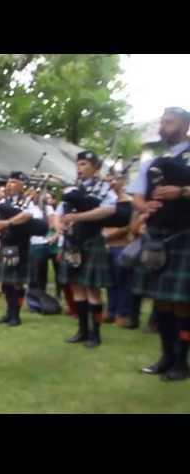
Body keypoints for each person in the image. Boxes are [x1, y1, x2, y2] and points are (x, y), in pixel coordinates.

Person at [129, 107, 190, 381]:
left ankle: (181, 361)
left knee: (183, 303)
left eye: (169, 122)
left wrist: (183, 191)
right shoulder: (152, 162)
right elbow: (137, 197)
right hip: (157, 236)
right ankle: (166, 356)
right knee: (162, 302)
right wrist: (145, 205)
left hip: (185, 234)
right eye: (162, 122)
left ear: (185, 125)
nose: (163, 127)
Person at [57, 151, 117, 348]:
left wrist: (78, 217)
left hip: (92, 241)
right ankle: (82, 330)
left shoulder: (104, 188)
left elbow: (109, 210)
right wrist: (59, 224)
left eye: (83, 164)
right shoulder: (73, 188)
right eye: (78, 164)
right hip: (73, 241)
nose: (79, 168)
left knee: (92, 290)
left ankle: (95, 334)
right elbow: (60, 211)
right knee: (77, 288)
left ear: (95, 167)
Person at [0, 172, 40, 327]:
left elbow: (28, 215)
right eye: (8, 182)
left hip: (21, 245)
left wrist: (8, 222)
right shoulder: (4, 201)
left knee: (17, 282)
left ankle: (16, 315)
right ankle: (8, 312)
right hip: (6, 244)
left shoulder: (28, 201)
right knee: (6, 282)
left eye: (13, 182)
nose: (9, 185)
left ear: (21, 185)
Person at [102, 169, 136, 326]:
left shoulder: (129, 201)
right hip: (107, 246)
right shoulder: (106, 200)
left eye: (115, 179)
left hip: (122, 246)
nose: (111, 183)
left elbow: (130, 225)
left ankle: (124, 314)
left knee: (124, 281)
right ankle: (111, 311)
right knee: (110, 282)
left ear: (122, 181)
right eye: (108, 180)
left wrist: (111, 234)